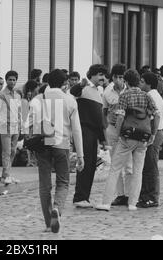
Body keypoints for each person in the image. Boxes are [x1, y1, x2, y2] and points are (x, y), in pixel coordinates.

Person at [27, 69, 84, 233]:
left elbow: (29, 123)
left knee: (44, 185)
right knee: (63, 182)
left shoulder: (38, 99)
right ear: (65, 83)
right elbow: (77, 130)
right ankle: (57, 208)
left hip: (43, 144)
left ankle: (47, 222)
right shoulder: (70, 100)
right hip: (62, 144)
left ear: (48, 82)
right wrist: (80, 155)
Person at [96, 69, 160, 212]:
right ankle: (133, 203)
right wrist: (153, 134)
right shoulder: (146, 96)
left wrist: (119, 134)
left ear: (126, 81)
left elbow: (120, 117)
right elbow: (157, 115)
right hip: (143, 137)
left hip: (128, 137)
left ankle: (106, 203)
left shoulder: (124, 96)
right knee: (138, 171)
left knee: (115, 169)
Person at [70, 65, 107, 209]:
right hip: (84, 131)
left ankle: (85, 196)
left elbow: (98, 119)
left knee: (91, 165)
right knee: (85, 164)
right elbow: (74, 92)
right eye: (99, 74)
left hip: (94, 133)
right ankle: (79, 196)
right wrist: (81, 84)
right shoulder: (84, 88)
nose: (102, 77)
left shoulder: (98, 92)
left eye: (103, 75)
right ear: (91, 75)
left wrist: (102, 139)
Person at [101, 64, 131, 207]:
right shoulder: (107, 92)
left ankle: (131, 194)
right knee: (115, 163)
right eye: (116, 77)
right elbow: (104, 111)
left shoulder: (130, 91)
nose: (119, 80)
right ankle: (121, 194)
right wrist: (106, 126)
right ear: (112, 78)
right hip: (112, 129)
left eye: (121, 77)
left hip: (127, 130)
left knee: (129, 165)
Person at [138, 72, 163, 208]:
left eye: (142, 81)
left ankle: (152, 197)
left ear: (148, 84)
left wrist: (152, 134)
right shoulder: (155, 95)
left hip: (153, 133)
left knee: (150, 166)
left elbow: (156, 117)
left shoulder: (151, 96)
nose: (140, 84)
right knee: (147, 166)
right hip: (155, 132)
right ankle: (145, 195)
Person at [0, 71, 22, 185]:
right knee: (7, 151)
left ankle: (7, 174)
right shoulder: (1, 94)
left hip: (16, 126)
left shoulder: (17, 94)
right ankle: (6, 175)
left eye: (14, 79)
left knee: (13, 151)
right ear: (6, 80)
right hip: (5, 126)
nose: (12, 81)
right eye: (10, 79)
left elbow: (19, 110)